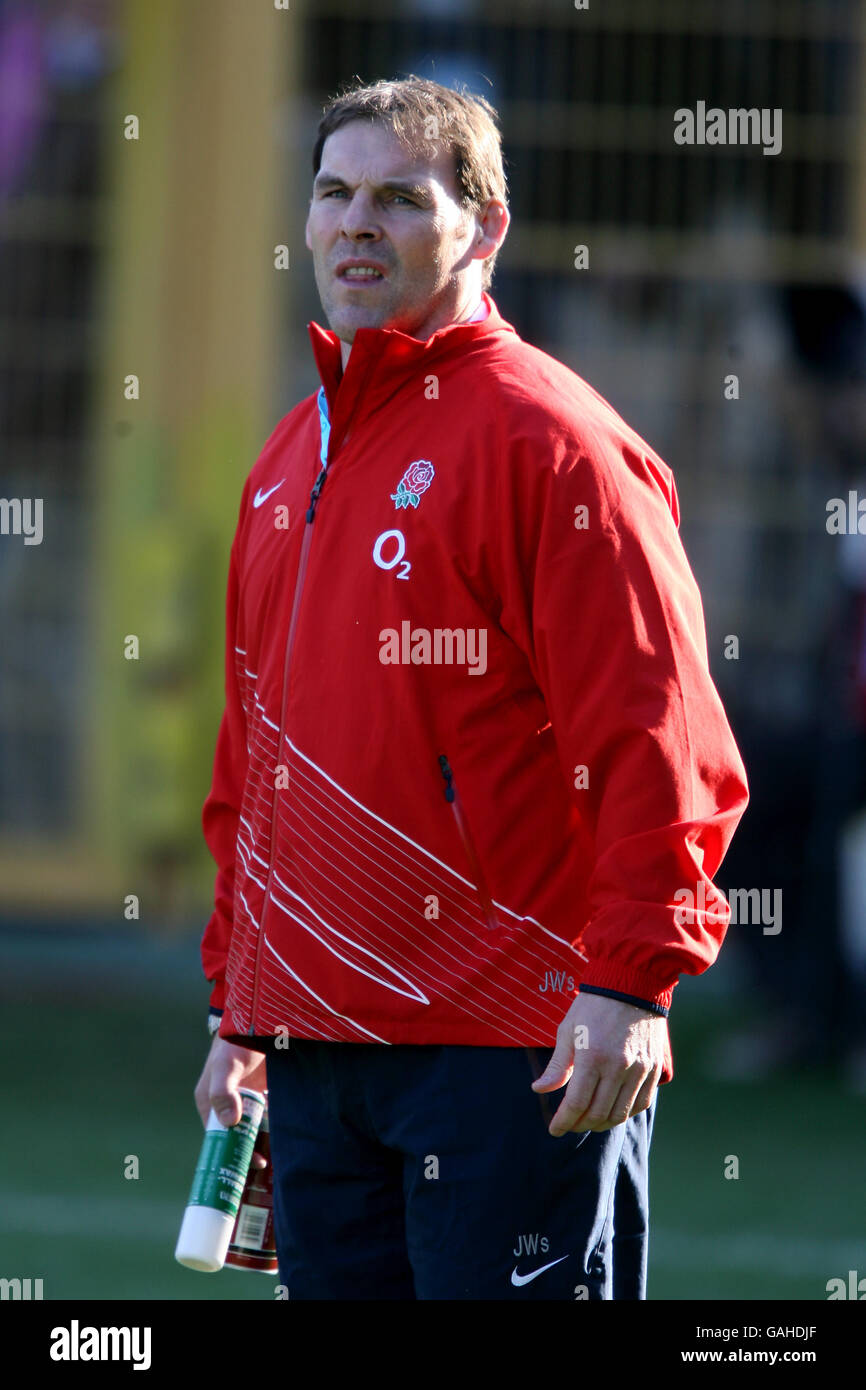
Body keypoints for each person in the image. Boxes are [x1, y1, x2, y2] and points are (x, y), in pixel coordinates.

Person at [193, 76, 749, 1301]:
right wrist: (242, 999)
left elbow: (655, 729)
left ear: (484, 228)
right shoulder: (288, 458)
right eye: (333, 192)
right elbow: (255, 757)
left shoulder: (556, 443)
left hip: (516, 1046)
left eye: (398, 197)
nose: (354, 224)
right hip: (315, 1040)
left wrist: (628, 980)